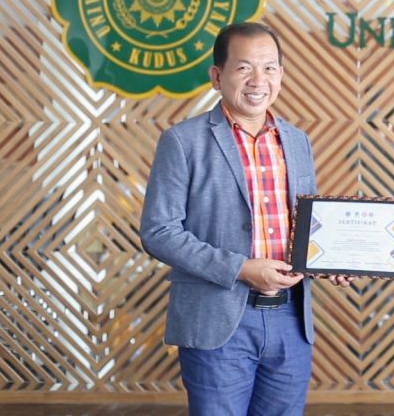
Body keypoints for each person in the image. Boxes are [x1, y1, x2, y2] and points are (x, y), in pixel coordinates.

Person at [140, 22, 332, 416]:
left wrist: (332, 261)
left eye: (269, 68)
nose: (259, 80)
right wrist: (241, 268)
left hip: (291, 317)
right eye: (244, 68)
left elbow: (308, 225)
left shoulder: (297, 140)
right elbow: (159, 231)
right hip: (218, 317)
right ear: (217, 76)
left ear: (281, 74)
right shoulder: (182, 141)